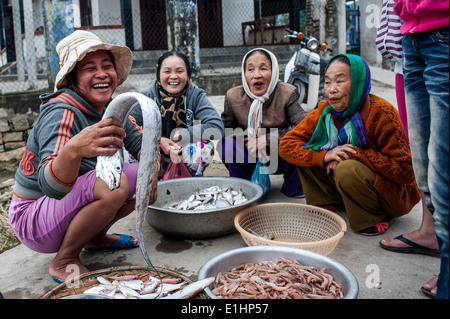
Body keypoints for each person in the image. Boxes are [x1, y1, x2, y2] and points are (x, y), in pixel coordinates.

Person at [8, 30, 158, 283]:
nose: (101, 74)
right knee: (114, 185)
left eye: (106, 66)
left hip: (63, 208)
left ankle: (95, 238)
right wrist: (74, 149)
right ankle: (64, 260)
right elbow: (50, 186)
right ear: (73, 78)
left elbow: (144, 145)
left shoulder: (111, 107)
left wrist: (151, 175)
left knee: (138, 176)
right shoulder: (62, 110)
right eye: (90, 68)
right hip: (33, 220)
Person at [279, 54, 421, 235]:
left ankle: (375, 215)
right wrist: (324, 156)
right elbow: (286, 145)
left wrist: (354, 154)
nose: (331, 90)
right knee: (310, 151)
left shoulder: (382, 113)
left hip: (392, 196)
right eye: (328, 82)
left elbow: (406, 172)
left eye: (340, 81)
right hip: (352, 182)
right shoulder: (325, 111)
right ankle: (331, 200)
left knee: (347, 168)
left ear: (358, 83)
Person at [376, 0, 441, 298]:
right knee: (424, 158)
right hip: (409, 42)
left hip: (440, 33)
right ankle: (429, 231)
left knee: (443, 158)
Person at [219, 48, 306, 197]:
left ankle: (294, 186)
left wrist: (267, 140)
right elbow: (226, 128)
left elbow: (304, 126)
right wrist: (249, 139)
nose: (256, 75)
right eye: (250, 69)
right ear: (244, 73)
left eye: (263, 68)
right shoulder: (233, 96)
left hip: (280, 156)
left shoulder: (287, 93)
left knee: (305, 141)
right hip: (250, 154)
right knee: (226, 144)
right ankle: (243, 187)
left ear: (273, 72)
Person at [137, 51, 224, 178]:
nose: (173, 76)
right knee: (128, 151)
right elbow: (128, 126)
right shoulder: (146, 97)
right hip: (156, 156)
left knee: (204, 149)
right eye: (167, 71)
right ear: (158, 75)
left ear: (188, 75)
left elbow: (216, 127)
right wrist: (157, 140)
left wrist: (182, 134)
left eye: (179, 71)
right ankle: (150, 183)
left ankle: (190, 182)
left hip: (183, 153)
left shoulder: (195, 94)